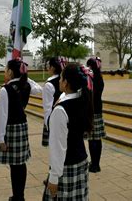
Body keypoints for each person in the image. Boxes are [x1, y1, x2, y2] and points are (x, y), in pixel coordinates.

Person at [44, 63, 93, 200]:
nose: (59, 80)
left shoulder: (61, 109)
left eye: (61, 78)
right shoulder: (82, 99)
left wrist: (53, 177)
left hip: (66, 167)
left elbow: (58, 147)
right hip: (81, 160)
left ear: (66, 83)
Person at [0, 58, 42, 201]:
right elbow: (39, 89)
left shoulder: (6, 89)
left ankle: (17, 196)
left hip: (10, 128)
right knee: (20, 164)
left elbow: (2, 116)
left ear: (10, 72)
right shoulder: (26, 85)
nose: (4, 72)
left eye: (5, 69)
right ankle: (19, 195)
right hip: (22, 126)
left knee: (14, 166)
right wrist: (26, 78)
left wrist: (0, 138)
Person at [85, 57, 106, 173]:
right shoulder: (100, 78)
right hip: (98, 109)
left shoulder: (90, 79)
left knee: (91, 139)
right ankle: (97, 163)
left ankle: (94, 164)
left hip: (90, 110)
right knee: (97, 139)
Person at [41, 57, 66, 147]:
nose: (47, 68)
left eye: (48, 65)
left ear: (53, 67)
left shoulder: (49, 84)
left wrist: (47, 125)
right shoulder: (66, 81)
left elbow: (47, 108)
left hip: (54, 119)